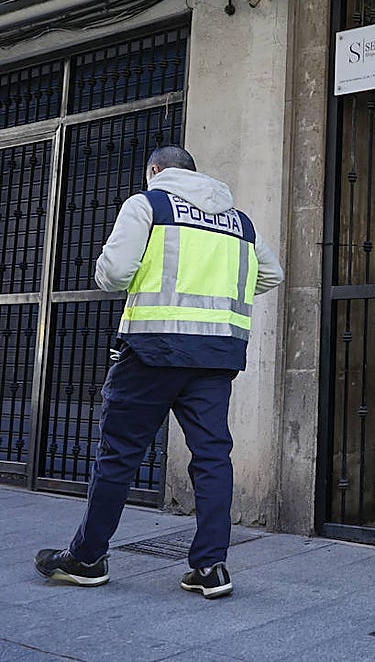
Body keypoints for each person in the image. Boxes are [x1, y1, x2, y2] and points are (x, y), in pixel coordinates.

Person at [34, 146, 283, 599]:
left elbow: (113, 274)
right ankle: (211, 567)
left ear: (155, 170)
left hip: (151, 351)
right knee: (212, 457)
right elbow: (271, 274)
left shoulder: (148, 205)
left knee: (118, 455)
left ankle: (87, 558)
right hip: (215, 356)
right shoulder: (239, 222)